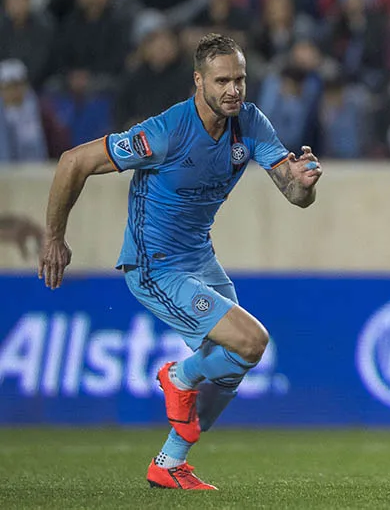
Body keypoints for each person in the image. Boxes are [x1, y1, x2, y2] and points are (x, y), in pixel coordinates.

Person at [37, 33, 323, 490]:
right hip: (156, 265)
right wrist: (54, 238)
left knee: (231, 369)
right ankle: (179, 375)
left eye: (241, 80)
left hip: (199, 258)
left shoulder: (249, 123)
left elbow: (293, 194)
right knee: (251, 342)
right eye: (223, 80)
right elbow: (73, 161)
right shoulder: (164, 132)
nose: (234, 90)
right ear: (198, 81)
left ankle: (168, 464)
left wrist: (305, 183)